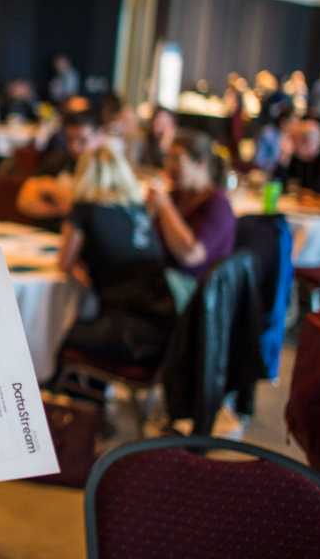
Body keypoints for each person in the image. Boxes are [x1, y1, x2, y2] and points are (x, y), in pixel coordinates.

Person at [57, 145, 176, 365]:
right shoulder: (138, 208)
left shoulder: (85, 209)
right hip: (166, 329)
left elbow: (64, 263)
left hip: (126, 333)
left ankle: (58, 394)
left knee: (53, 333)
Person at [146, 129, 236, 279]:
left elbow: (190, 255)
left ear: (200, 164)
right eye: (168, 158)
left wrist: (164, 207)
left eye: (176, 159)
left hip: (191, 289)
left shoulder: (219, 205)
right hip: (161, 277)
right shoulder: (176, 195)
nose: (169, 166)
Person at [16, 111, 97, 226]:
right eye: (69, 140)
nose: (74, 147)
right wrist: (59, 210)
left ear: (98, 137)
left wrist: (51, 189)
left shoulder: (106, 170)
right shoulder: (58, 161)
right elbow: (24, 201)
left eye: (82, 141)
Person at [276, 118, 320, 195]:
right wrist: (284, 159)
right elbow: (278, 185)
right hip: (306, 205)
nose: (289, 144)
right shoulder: (299, 159)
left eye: (292, 139)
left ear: (305, 142)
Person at [253, 107, 294, 174]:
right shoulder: (268, 133)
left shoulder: (288, 135)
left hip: (282, 173)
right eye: (292, 123)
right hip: (266, 173)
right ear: (283, 122)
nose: (294, 126)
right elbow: (259, 159)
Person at [141, 105, 177, 170]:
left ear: (172, 127)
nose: (160, 128)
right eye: (157, 122)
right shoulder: (145, 141)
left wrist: (164, 144)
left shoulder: (178, 148)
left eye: (164, 123)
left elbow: (166, 169)